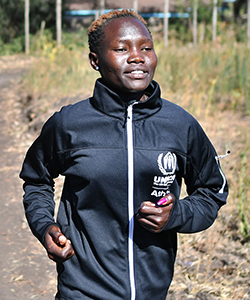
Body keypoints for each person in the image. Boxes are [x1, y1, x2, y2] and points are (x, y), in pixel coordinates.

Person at [20, 9, 228, 300]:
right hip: (82, 289)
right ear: (95, 61)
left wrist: (176, 214)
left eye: (146, 48)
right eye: (121, 49)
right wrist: (45, 226)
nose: (137, 57)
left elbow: (212, 190)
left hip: (152, 290)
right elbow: (36, 181)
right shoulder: (69, 124)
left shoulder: (180, 125)